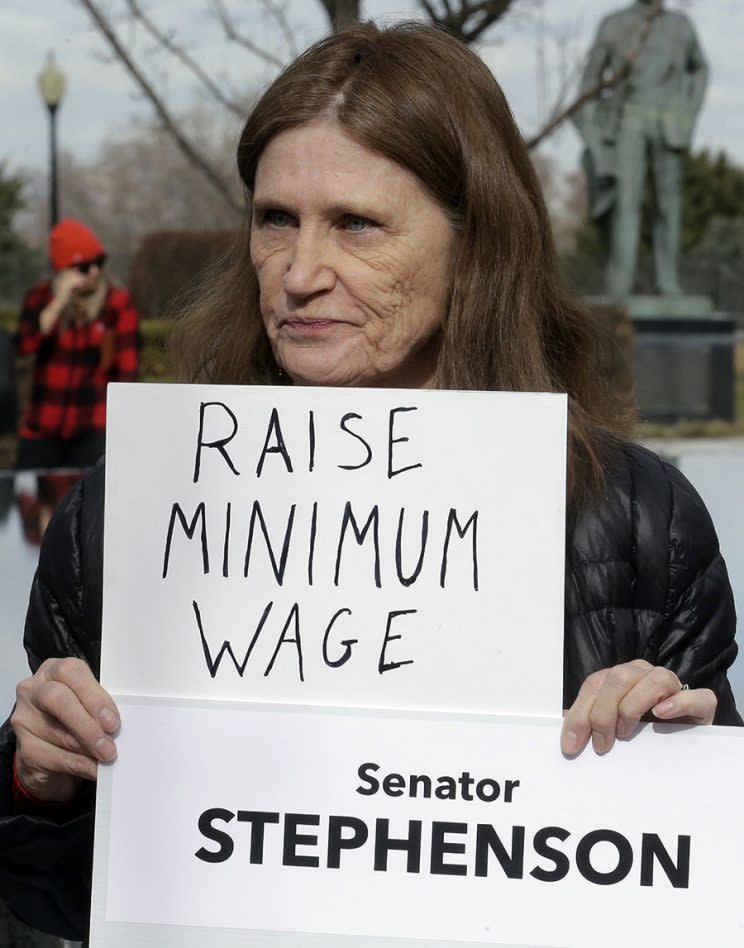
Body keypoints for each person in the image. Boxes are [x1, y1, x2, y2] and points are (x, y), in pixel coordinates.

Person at [0, 21, 739, 942]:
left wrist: (681, 765)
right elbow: (60, 901)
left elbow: (695, 901)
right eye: (276, 220)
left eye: (356, 224)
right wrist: (42, 782)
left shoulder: (640, 522)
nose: (301, 273)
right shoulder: (133, 509)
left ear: (475, 243)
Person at [575, 0, 708, 298]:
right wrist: (596, 137)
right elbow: (589, 83)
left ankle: (668, 281)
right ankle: (620, 285)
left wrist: (687, 111)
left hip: (668, 124)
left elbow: (701, 69)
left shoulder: (681, 26)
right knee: (625, 203)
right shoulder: (613, 24)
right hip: (627, 121)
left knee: (669, 205)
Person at [14, 218, 140, 470]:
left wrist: (125, 429)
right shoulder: (40, 298)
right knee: (31, 501)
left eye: (99, 262)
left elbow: (129, 371)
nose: (94, 272)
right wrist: (59, 303)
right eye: (83, 267)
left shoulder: (117, 303)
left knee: (93, 504)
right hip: (43, 424)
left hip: (94, 425)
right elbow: (24, 346)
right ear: (63, 270)